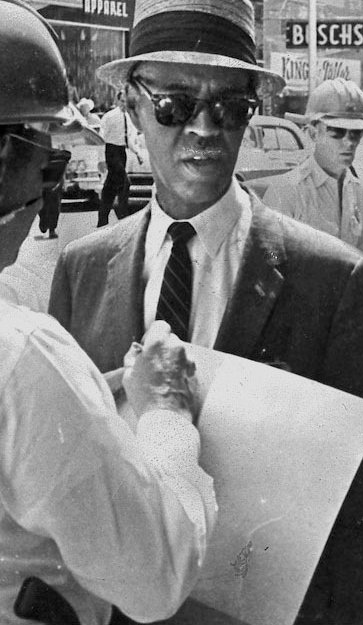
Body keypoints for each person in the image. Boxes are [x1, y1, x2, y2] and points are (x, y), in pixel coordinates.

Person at [48, 0, 363, 623]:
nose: (205, 129)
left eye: (230, 108)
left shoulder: (334, 282)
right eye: (174, 105)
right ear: (131, 105)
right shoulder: (82, 269)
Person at [0, 2, 217, 624]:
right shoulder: (24, 353)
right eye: (49, 164)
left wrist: (83, 396)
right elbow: (158, 573)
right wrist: (166, 411)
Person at [265, 78, 363, 256]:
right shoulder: (285, 191)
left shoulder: (357, 191)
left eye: (356, 133)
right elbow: (270, 261)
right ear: (312, 133)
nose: (349, 142)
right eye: (337, 132)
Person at [97, 91, 142, 227]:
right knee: (125, 183)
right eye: (122, 101)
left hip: (122, 152)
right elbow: (101, 139)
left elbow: (130, 140)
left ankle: (102, 219)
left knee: (110, 187)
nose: (124, 104)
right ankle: (123, 217)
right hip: (111, 151)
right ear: (117, 101)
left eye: (126, 101)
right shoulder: (109, 116)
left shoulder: (131, 117)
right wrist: (101, 159)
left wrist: (138, 153)